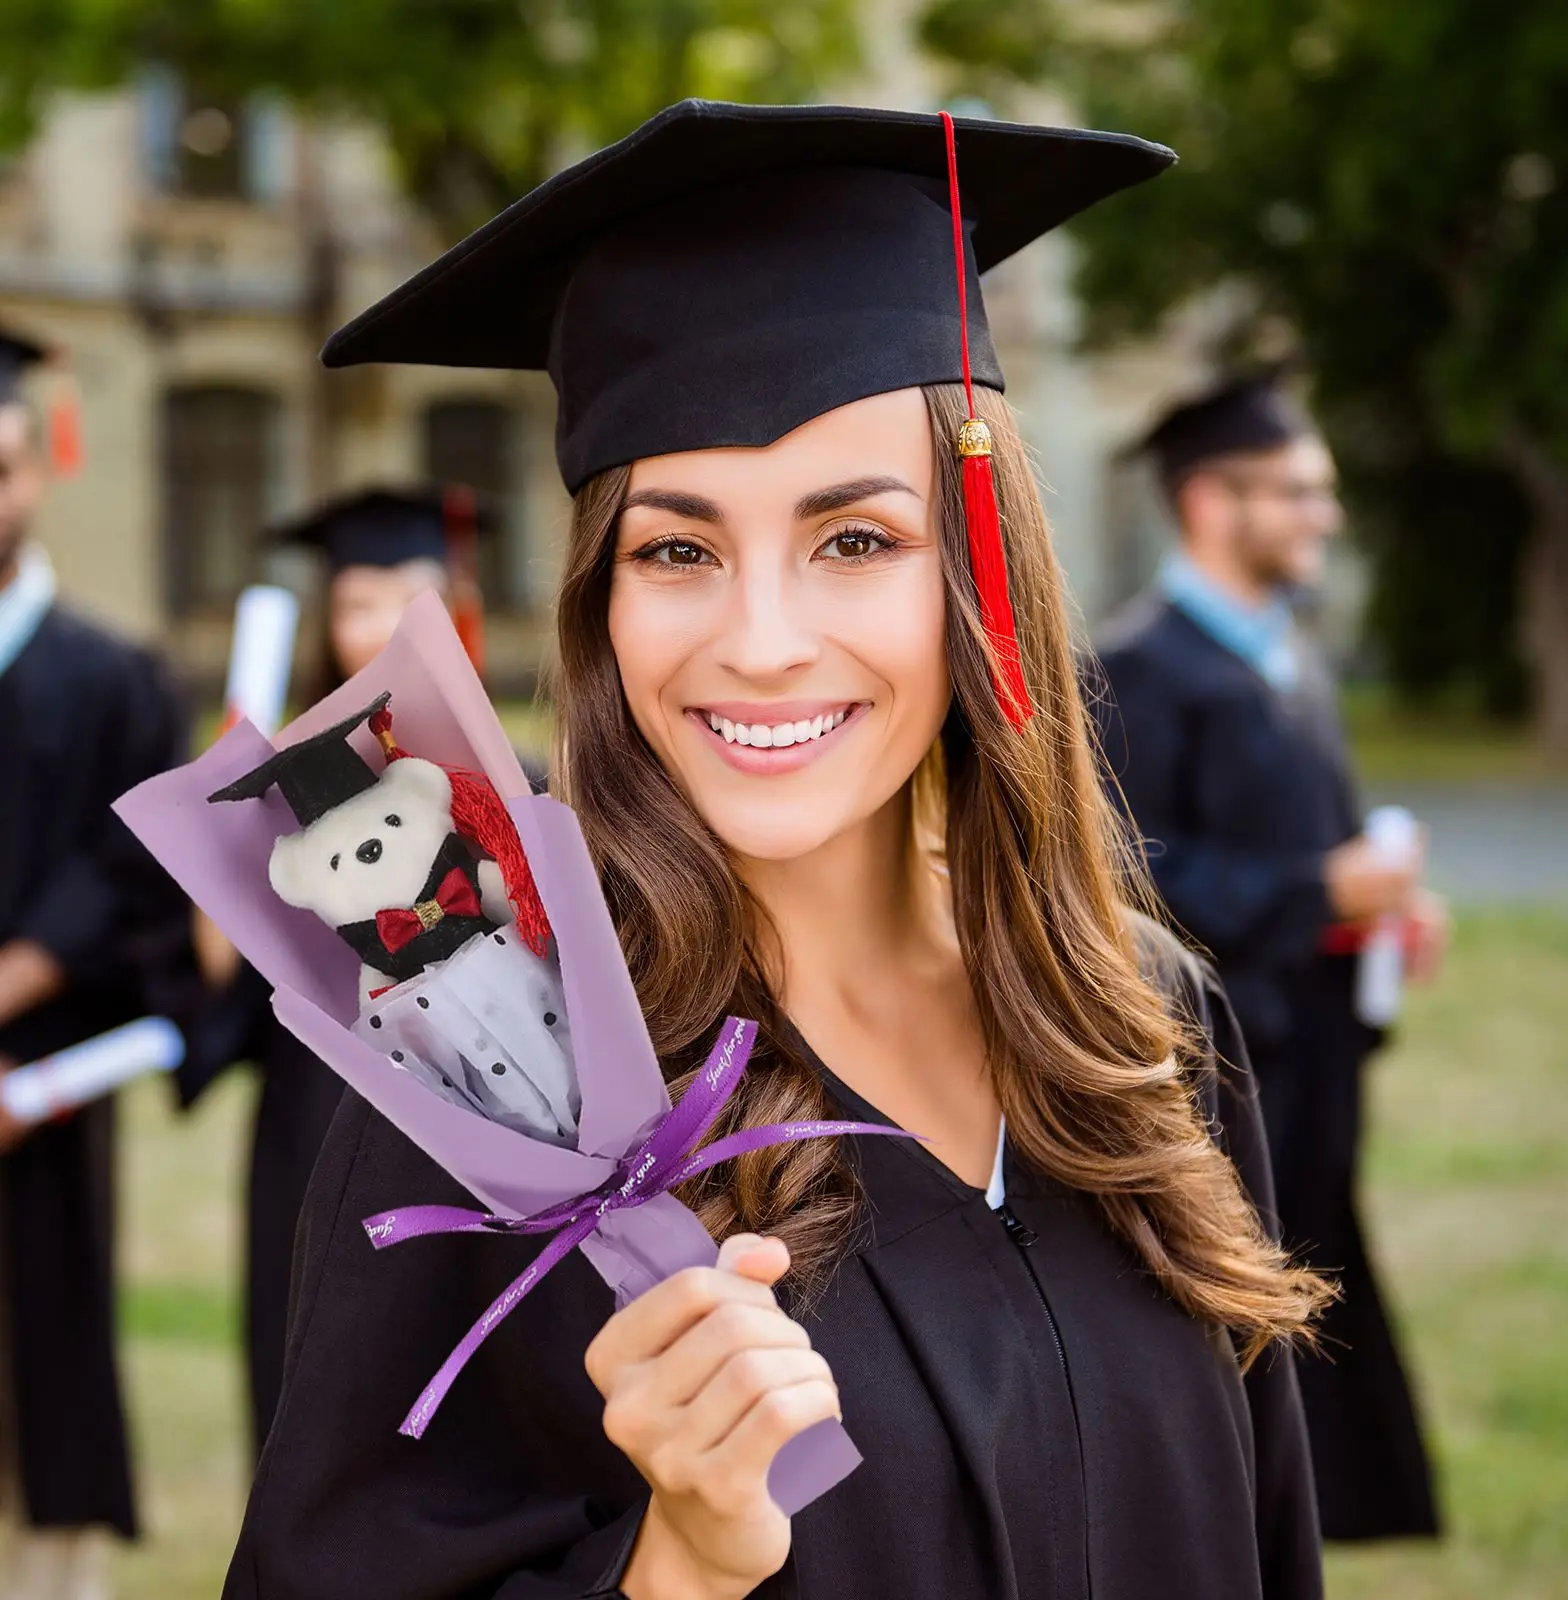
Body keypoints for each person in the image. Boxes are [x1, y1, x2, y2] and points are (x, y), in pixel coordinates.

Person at [221, 103, 1331, 1599]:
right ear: (604, 611)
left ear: (980, 571)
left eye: (856, 541)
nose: (757, 643)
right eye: (676, 549)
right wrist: (677, 1564)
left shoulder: (1142, 1029)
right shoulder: (501, 1094)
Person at [1091, 374, 1446, 1541]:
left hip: (1313, 1049)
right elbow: (1119, 869)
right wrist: (1312, 890)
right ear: (1208, 502)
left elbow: (1304, 848)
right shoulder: (1140, 666)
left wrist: (1375, 914)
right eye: (1296, 492)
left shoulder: (1285, 656)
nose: (1321, 518)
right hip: (1216, 1067)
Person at [181, 486, 545, 1457]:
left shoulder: (516, 775)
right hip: (324, 1108)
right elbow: (223, 970)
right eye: (354, 602)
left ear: (452, 606)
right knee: (318, 1362)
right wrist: (215, 854)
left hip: (486, 1110)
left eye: (405, 598)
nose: (377, 626)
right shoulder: (281, 792)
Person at [0, 328, 189, 1598]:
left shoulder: (116, 679)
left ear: (37, 472)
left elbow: (140, 877)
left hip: (38, 1097)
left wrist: (25, 972)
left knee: (41, 1363)